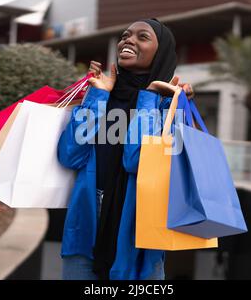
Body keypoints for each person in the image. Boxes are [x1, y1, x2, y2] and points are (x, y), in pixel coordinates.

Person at [57, 19, 192, 280]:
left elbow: (136, 161)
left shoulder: (170, 105)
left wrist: (150, 97)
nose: (128, 40)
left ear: (160, 51)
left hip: (139, 229)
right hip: (87, 220)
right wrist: (98, 97)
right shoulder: (102, 94)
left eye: (142, 37)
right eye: (125, 35)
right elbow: (70, 155)